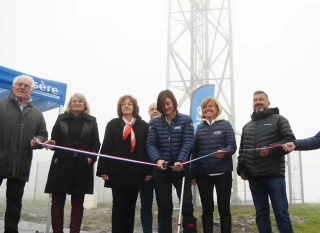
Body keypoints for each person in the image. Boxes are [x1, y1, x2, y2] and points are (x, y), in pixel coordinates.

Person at [236, 90, 295, 233]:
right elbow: (242, 150)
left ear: (268, 103)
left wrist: (270, 150)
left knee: (281, 213)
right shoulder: (247, 126)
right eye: (255, 100)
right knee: (261, 215)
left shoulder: (279, 119)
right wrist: (241, 170)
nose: (258, 102)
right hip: (254, 178)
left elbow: (289, 140)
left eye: (261, 99)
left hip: (274, 175)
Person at [44, 93, 101, 233]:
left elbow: (96, 143)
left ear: (85, 104)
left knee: (78, 203)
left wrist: (90, 159)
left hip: (82, 164)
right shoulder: (61, 118)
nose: (76, 103)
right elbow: (55, 139)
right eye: (73, 101)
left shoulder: (91, 121)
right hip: (61, 162)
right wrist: (52, 143)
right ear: (70, 104)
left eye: (80, 101)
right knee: (57, 202)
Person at [0, 74, 48, 233]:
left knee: (15, 202)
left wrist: (38, 141)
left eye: (26, 86)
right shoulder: (1, 105)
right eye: (19, 84)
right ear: (13, 87)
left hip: (21, 162)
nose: (22, 87)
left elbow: (43, 134)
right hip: (0, 159)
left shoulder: (37, 113)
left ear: (32, 90)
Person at [96, 95, 150, 233]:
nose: (126, 106)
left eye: (129, 104)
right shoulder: (113, 124)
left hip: (135, 173)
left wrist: (149, 171)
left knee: (131, 207)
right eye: (123, 104)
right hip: (117, 172)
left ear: (134, 107)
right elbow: (106, 146)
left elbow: (146, 149)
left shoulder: (143, 126)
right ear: (120, 108)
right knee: (118, 206)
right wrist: (103, 169)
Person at [147, 89, 197, 233]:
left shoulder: (186, 120)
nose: (166, 107)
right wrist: (157, 159)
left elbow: (188, 142)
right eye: (163, 105)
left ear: (173, 102)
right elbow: (150, 144)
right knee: (164, 207)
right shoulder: (155, 123)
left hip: (181, 170)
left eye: (168, 103)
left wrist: (181, 160)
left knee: (186, 205)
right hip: (162, 171)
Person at [192, 97, 236, 233]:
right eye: (205, 107)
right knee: (207, 208)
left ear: (217, 108)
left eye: (210, 106)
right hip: (203, 175)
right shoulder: (199, 128)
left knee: (224, 208)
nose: (208, 109)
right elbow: (195, 153)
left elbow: (232, 146)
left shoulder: (225, 125)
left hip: (223, 174)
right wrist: (193, 174)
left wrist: (225, 152)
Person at [140, 102, 161, 233]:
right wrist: (146, 171)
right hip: (146, 174)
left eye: (157, 109)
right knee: (146, 205)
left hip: (163, 173)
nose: (154, 111)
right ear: (148, 112)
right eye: (151, 109)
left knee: (163, 206)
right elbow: (142, 152)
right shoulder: (143, 128)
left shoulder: (167, 127)